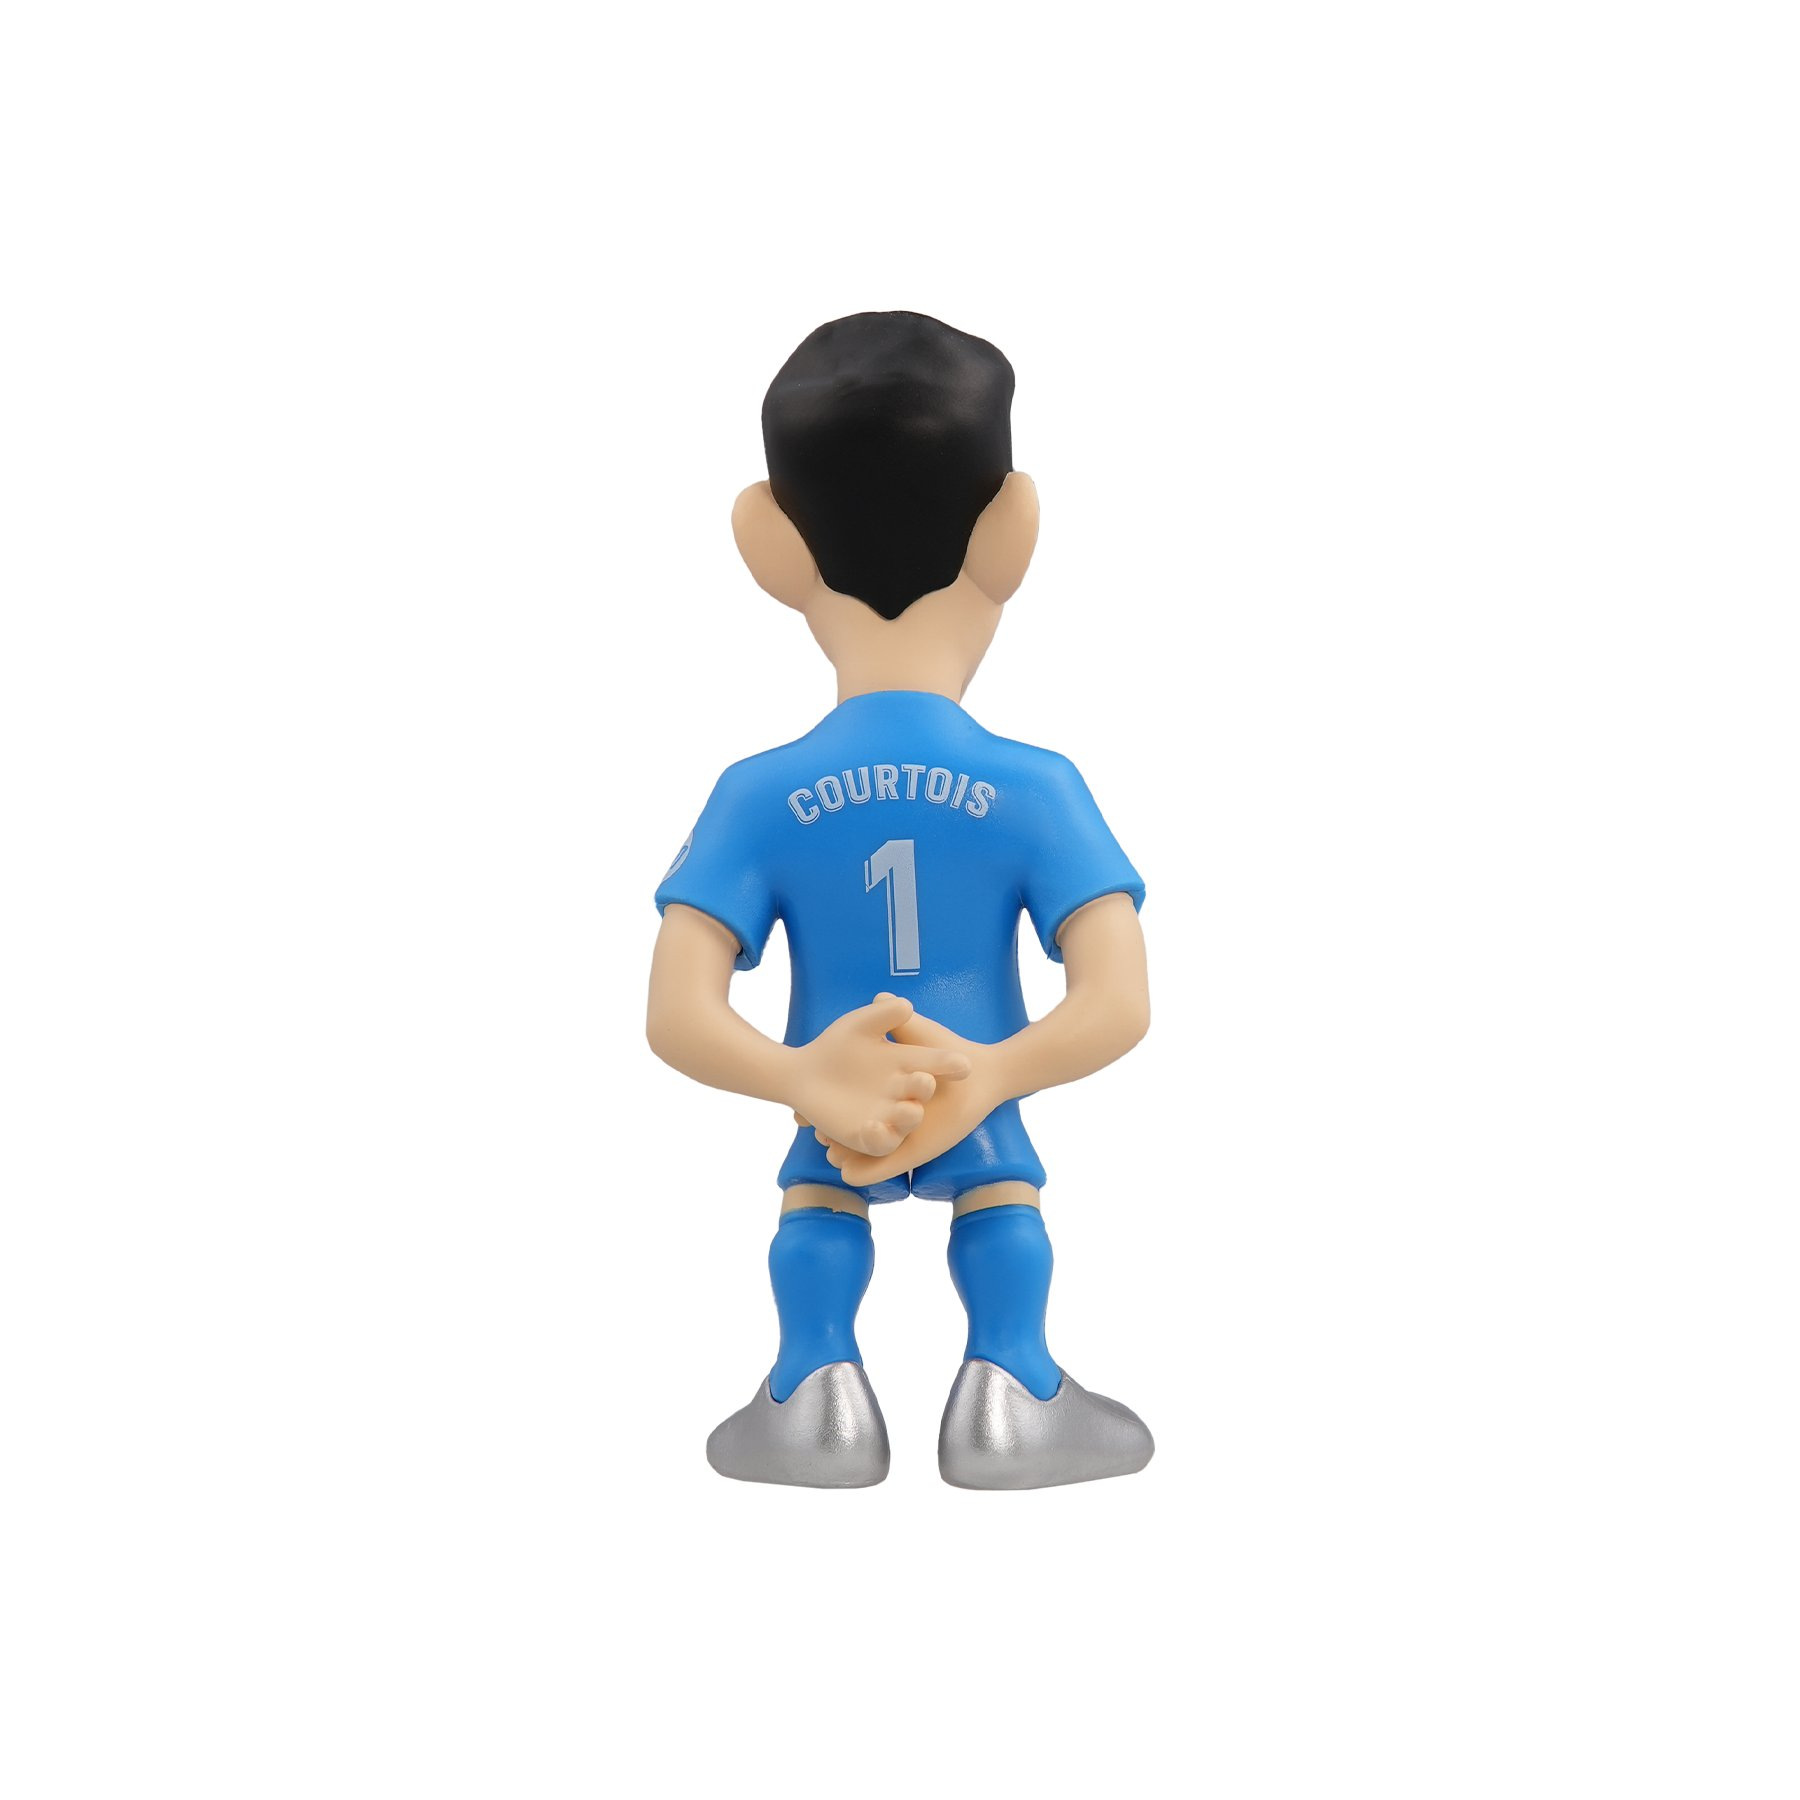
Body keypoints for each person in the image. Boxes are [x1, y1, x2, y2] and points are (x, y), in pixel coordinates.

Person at [647, 311, 1154, 1488]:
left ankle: (811, 1393)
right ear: (1014, 532)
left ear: (768, 545)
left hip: (833, 1099)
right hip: (978, 1083)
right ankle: (1012, 1390)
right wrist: (993, 1070)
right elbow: (1119, 999)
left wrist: (803, 1077)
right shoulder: (1037, 788)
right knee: (1005, 1198)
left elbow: (675, 1011)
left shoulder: (755, 794)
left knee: (818, 1203)